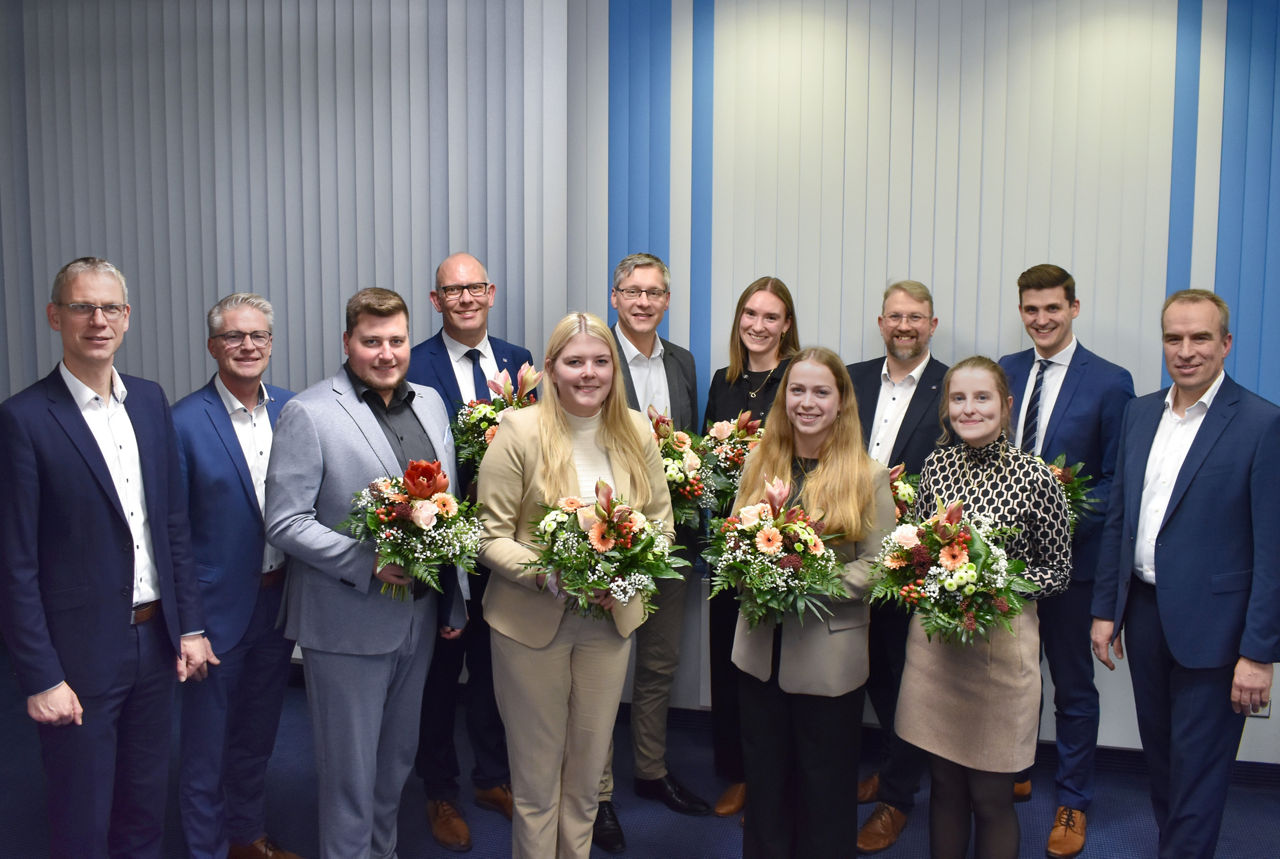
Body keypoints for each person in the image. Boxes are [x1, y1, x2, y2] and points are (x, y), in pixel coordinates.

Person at [0, 257, 214, 858]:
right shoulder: (22, 419)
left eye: (111, 308)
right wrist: (41, 675)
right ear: (54, 317)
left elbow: (171, 523)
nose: (98, 320)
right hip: (78, 654)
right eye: (82, 307)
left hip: (155, 643)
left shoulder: (148, 401)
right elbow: (14, 563)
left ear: (127, 318)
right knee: (82, 815)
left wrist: (190, 626)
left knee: (145, 806)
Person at [264, 288, 466, 859]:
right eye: (371, 341)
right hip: (346, 622)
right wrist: (368, 562)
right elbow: (284, 521)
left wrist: (452, 600)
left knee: (396, 764)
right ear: (347, 343)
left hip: (418, 619)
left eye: (396, 340)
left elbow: (446, 512)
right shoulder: (310, 412)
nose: (386, 353)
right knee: (349, 775)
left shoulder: (429, 402)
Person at [1091, 289, 1280, 859]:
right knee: (1165, 762)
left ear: (1225, 344)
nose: (1186, 350)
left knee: (1200, 772)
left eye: (1200, 338)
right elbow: (1120, 516)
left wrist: (1259, 652)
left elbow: (1273, 550)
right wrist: (1106, 610)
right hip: (1145, 617)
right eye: (1174, 337)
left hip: (1218, 630)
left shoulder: (1261, 423)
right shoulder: (1139, 412)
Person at [477, 311, 673, 858]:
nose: (589, 373)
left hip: (609, 624)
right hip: (529, 625)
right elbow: (488, 537)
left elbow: (661, 524)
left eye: (600, 360)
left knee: (587, 781)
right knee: (538, 785)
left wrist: (627, 576)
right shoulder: (519, 431)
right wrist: (549, 574)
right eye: (574, 361)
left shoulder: (636, 431)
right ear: (551, 370)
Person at [895, 356, 1072, 859]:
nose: (969, 409)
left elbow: (1058, 571)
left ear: (1006, 405)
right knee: (945, 786)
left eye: (982, 398)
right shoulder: (935, 464)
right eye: (958, 399)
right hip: (937, 651)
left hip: (1001, 651)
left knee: (991, 797)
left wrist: (994, 582)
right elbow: (917, 545)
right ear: (946, 408)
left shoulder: (1036, 477)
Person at [731, 347, 896, 858]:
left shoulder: (867, 475)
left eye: (821, 391)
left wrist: (808, 585)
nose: (807, 402)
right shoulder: (759, 462)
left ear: (842, 402)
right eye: (797, 390)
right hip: (760, 656)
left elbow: (881, 564)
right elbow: (734, 541)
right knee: (765, 785)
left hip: (829, 662)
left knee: (824, 791)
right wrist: (752, 568)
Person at [998, 263, 1133, 858]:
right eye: (1031, 309)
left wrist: (1058, 501)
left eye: (1053, 308)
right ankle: (1016, 765)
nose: (1041, 319)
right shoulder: (1004, 370)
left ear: (1073, 308)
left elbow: (1116, 481)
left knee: (1073, 687)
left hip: (1073, 564)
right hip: (1000, 562)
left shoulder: (1109, 381)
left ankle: (1073, 800)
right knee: (1010, 676)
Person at [407, 252, 532, 852]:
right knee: (436, 674)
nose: (465, 299)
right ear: (436, 301)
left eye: (475, 287)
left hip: (503, 543)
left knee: (491, 668)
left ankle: (492, 777)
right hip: (438, 545)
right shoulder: (411, 363)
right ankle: (439, 788)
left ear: (491, 291)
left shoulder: (519, 361)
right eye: (452, 291)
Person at [173, 293, 300, 859]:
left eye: (258, 337)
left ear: (271, 344)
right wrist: (188, 626)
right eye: (233, 336)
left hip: (279, 606)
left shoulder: (294, 412)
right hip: (215, 616)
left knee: (256, 739)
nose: (247, 346)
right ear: (213, 346)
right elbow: (173, 534)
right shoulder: (181, 422)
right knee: (205, 750)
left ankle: (248, 838)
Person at [592, 252, 706, 853]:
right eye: (632, 292)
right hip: (609, 544)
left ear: (666, 300)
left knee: (659, 666)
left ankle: (652, 770)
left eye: (654, 293)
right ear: (615, 297)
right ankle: (599, 793)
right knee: (604, 671)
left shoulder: (683, 361)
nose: (643, 301)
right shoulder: (593, 357)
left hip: (671, 542)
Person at [846, 280, 948, 852]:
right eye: (895, 316)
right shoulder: (853, 379)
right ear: (880, 322)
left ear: (932, 325)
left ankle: (898, 797)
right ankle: (890, 768)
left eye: (916, 317)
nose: (904, 326)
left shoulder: (950, 385)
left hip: (913, 557)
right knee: (873, 673)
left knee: (906, 676)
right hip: (851, 549)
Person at [703, 276, 800, 818]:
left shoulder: (797, 377)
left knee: (776, 658)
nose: (758, 326)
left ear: (786, 324)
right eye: (750, 314)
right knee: (728, 656)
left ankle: (778, 770)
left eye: (771, 317)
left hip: (778, 536)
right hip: (727, 538)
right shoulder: (723, 379)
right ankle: (735, 771)